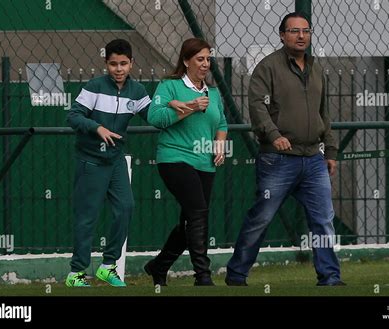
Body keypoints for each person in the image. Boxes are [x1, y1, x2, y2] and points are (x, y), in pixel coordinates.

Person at [225, 12, 345, 286]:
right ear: (282, 35)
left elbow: (323, 113)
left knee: (324, 219)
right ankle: (236, 275)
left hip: (314, 159)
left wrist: (331, 152)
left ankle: (330, 277)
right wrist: (274, 135)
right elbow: (257, 106)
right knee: (261, 218)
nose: (301, 36)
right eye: (294, 31)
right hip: (277, 159)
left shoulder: (316, 69)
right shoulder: (267, 67)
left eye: (306, 31)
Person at [65, 39, 151, 287]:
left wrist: (179, 107)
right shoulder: (94, 86)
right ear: (106, 63)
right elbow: (73, 116)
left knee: (126, 208)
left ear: (132, 63)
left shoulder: (138, 92)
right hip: (90, 160)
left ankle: (107, 266)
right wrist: (97, 127)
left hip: (115, 162)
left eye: (123, 63)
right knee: (86, 217)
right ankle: (76, 274)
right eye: (113, 64)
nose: (119, 69)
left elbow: (155, 116)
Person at [145, 38, 228, 286]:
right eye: (199, 59)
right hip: (174, 157)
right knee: (198, 213)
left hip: (205, 161)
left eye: (208, 59)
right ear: (185, 61)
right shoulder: (169, 86)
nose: (205, 64)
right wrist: (189, 107)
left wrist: (220, 144)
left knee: (191, 221)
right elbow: (155, 118)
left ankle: (158, 266)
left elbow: (221, 123)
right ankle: (202, 275)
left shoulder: (212, 93)